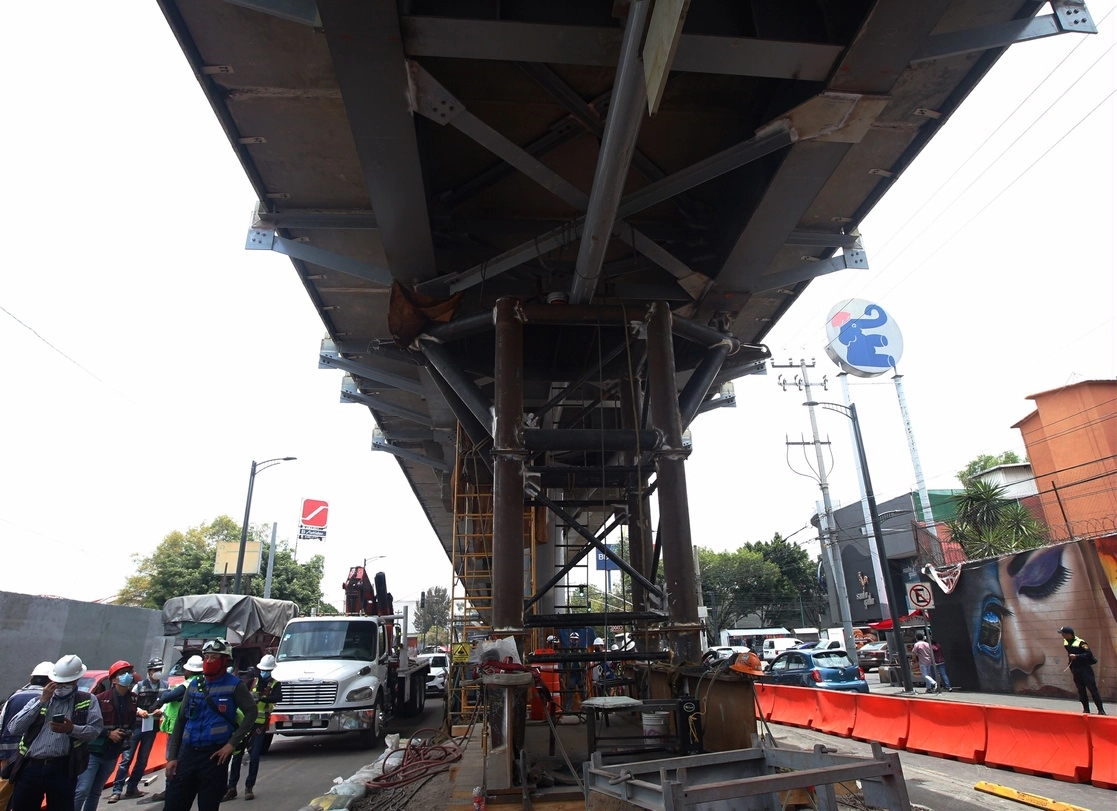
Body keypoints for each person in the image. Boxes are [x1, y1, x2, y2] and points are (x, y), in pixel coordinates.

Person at [162, 639, 256, 811]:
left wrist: (231, 744)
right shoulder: (194, 685)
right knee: (173, 805)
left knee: (208, 805)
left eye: (214, 657)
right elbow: (181, 721)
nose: (208, 661)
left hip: (214, 757)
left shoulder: (234, 685)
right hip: (187, 754)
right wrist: (173, 757)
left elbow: (252, 712)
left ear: (224, 660)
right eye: (206, 657)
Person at [6, 654, 104, 811]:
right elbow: (14, 728)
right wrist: (42, 701)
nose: (61, 687)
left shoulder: (88, 700)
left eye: (66, 683)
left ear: (76, 680)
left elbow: (95, 730)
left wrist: (72, 729)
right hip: (31, 768)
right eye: (58, 683)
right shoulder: (39, 700)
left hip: (62, 769)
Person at [74, 661, 140, 811]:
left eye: (129, 672)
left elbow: (131, 723)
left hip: (112, 752)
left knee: (96, 792)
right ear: (114, 679)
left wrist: (127, 734)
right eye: (122, 673)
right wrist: (108, 733)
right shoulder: (99, 698)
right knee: (82, 790)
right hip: (93, 751)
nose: (127, 676)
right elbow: (88, 724)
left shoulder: (133, 699)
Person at [223, 655, 282, 801]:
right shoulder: (252, 681)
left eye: (267, 671)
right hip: (244, 723)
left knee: (254, 756)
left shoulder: (275, 684)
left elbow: (278, 698)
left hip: (259, 725)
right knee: (237, 756)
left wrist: (262, 698)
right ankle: (231, 788)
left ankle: (249, 787)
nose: (264, 673)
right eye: (263, 670)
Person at [107, 657, 166, 803]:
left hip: (152, 727)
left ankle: (132, 788)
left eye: (159, 670)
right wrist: (139, 711)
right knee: (126, 758)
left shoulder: (165, 685)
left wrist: (161, 710)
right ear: (149, 671)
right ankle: (117, 790)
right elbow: (132, 702)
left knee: (143, 759)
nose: (157, 672)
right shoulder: (139, 686)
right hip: (137, 726)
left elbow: (167, 702)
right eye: (155, 670)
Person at [147, 655, 204, 803]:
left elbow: (168, 697)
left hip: (177, 728)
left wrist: (163, 696)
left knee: (172, 760)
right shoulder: (202, 683)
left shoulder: (186, 685)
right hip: (191, 727)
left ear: (190, 671)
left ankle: (170, 791)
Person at [0, 662, 53, 769]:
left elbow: (2, 722)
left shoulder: (14, 696)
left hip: (6, 752)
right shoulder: (47, 699)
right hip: (30, 755)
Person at [1060, 625, 1106, 715]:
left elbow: (1089, 654)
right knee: (1081, 690)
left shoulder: (1080, 642)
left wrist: (1077, 656)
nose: (1062, 636)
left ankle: (1101, 710)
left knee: (1092, 689)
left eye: (1063, 634)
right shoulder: (1066, 642)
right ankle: (1086, 709)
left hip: (1085, 668)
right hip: (1075, 668)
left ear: (1068, 634)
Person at [562, 633, 586, 712]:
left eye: (575, 640)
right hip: (571, 674)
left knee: (583, 693)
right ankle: (568, 710)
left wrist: (584, 671)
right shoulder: (567, 651)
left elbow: (586, 662)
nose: (574, 641)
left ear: (578, 640)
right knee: (570, 693)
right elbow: (564, 663)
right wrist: (565, 673)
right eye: (572, 639)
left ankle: (585, 709)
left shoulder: (581, 650)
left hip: (579, 674)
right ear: (569, 640)